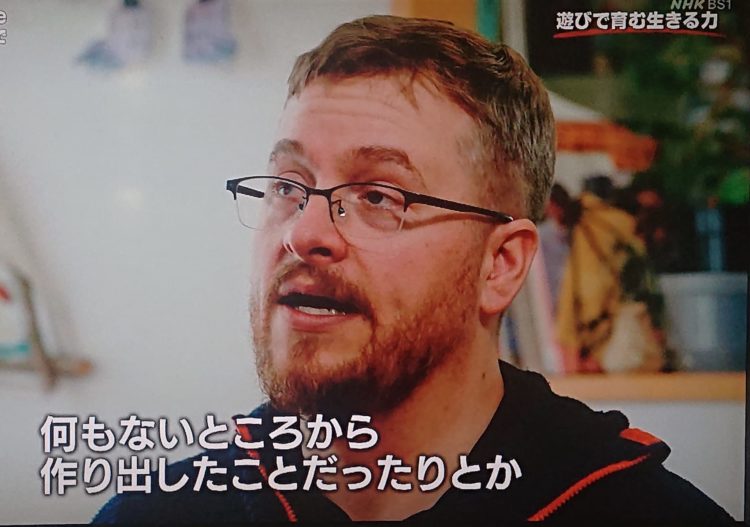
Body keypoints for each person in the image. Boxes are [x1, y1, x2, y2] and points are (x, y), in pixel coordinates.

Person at [93, 15, 735, 524]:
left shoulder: (634, 510)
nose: (304, 233)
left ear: (500, 264)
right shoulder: (157, 513)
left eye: (379, 197)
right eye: (288, 186)